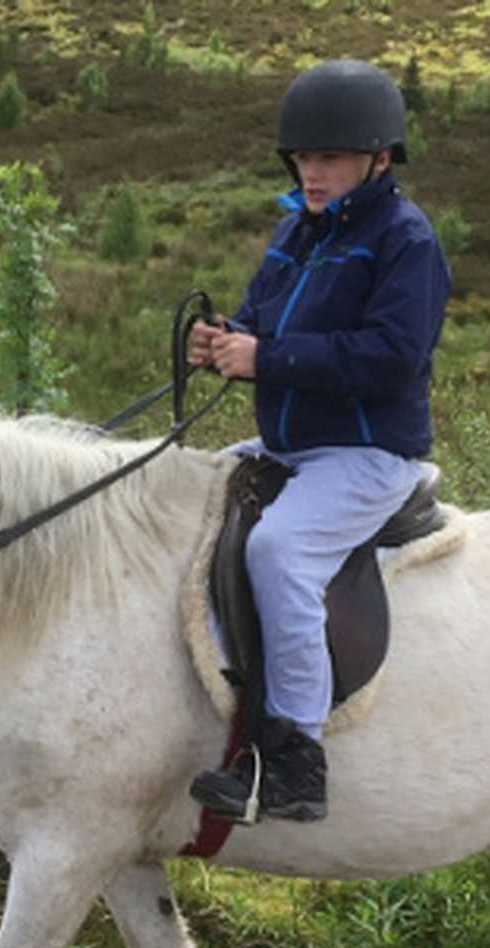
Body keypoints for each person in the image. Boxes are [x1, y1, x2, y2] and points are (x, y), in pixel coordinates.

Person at [186, 57, 452, 825]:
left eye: (328, 157)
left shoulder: (406, 242)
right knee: (175, 492)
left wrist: (265, 359)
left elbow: (390, 358)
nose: (312, 171)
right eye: (303, 157)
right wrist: (223, 341)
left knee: (279, 552)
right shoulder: (296, 233)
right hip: (286, 447)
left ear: (377, 160)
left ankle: (295, 758)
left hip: (367, 456)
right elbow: (259, 321)